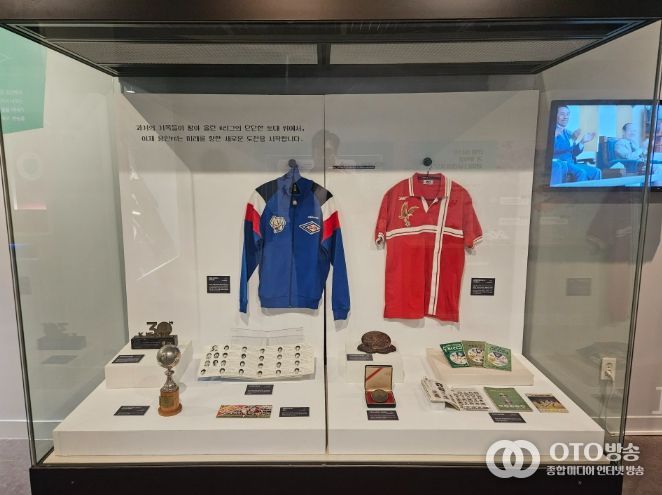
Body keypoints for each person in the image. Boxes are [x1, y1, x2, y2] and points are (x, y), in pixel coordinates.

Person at [553, 105, 602, 182]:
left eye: (567, 114)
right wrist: (572, 140)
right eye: (562, 114)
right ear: (555, 115)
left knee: (596, 171)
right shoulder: (552, 132)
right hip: (561, 164)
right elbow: (554, 149)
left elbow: (574, 153)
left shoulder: (568, 133)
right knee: (581, 172)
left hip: (572, 163)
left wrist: (582, 141)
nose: (566, 117)